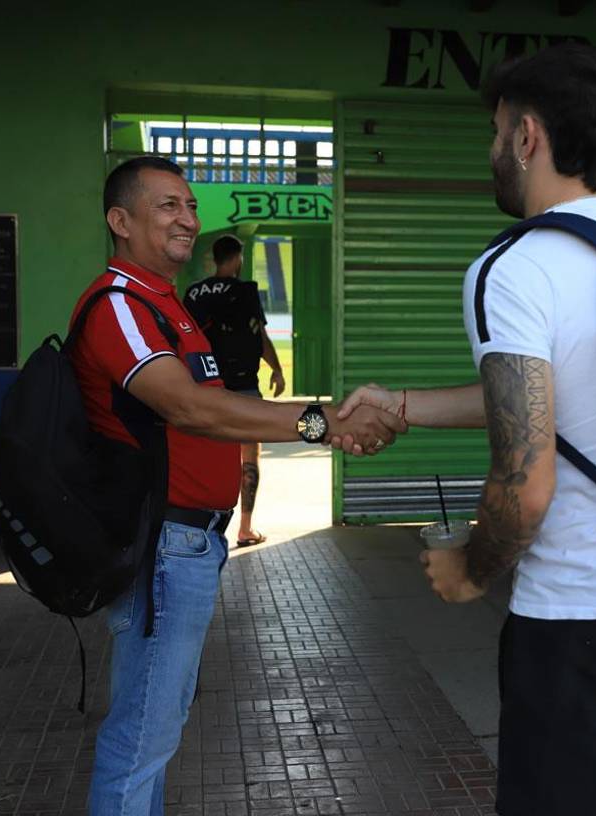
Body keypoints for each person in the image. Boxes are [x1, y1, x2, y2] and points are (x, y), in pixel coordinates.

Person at [336, 44, 596, 816]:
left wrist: (471, 571)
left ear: (526, 137)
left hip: (588, 618)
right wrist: (402, 403)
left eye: (494, 132)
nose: (490, 151)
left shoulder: (516, 267)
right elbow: (554, 396)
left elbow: (525, 481)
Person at [72, 155, 406, 815]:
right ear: (120, 220)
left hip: (189, 544)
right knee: (142, 736)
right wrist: (325, 423)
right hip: (162, 546)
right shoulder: (122, 305)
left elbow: (215, 420)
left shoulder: (169, 305)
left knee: (155, 731)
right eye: (167, 205)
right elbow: (191, 408)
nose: (187, 219)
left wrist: (321, 423)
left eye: (191, 206)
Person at [184, 235, 284, 547]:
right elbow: (260, 335)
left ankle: (204, 527)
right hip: (243, 389)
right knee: (249, 458)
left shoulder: (194, 293)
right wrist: (277, 370)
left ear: (215, 258)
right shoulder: (245, 291)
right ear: (237, 258)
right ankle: (245, 528)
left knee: (203, 460)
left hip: (206, 390)